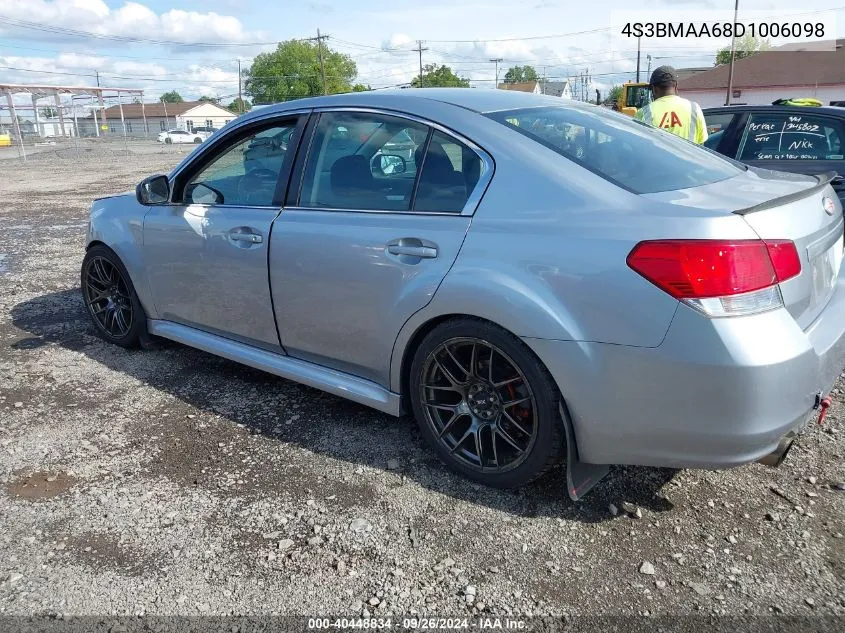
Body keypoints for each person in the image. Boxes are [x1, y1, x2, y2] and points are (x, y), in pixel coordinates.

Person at [635, 66, 708, 144]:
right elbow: (701, 144)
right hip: (689, 156)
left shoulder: (644, 112)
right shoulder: (694, 108)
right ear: (676, 86)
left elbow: (639, 145)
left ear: (654, 88)